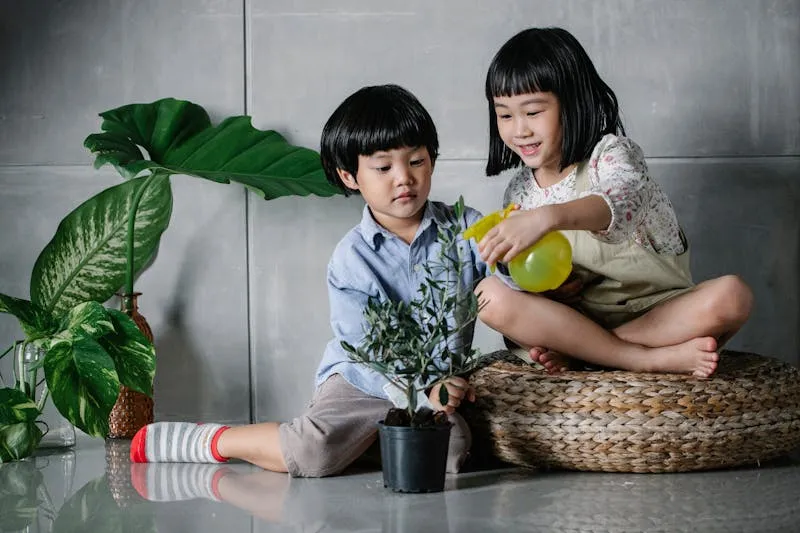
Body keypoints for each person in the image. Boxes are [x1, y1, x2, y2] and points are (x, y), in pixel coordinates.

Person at [130, 84, 489, 476]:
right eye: (384, 168)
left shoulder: (465, 228)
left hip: (434, 387)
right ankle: (216, 440)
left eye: (416, 161)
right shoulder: (353, 258)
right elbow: (366, 351)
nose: (404, 178)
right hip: (363, 383)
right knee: (313, 452)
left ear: (432, 161)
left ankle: (367, 441)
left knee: (453, 453)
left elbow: (506, 284)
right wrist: (419, 396)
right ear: (350, 176)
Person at [474, 27, 753, 377]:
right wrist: (550, 294)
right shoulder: (519, 191)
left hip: (658, 314)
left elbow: (618, 204)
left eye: (532, 112)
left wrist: (546, 218)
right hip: (577, 320)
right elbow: (530, 279)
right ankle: (639, 358)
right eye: (505, 115)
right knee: (489, 296)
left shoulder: (613, 155)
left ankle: (593, 352)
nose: (519, 130)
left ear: (573, 103)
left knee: (733, 296)